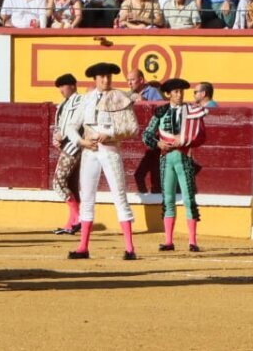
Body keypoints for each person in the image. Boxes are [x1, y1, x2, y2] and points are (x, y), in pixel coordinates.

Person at [64, 62, 139, 260]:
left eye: (109, 77)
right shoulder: (86, 99)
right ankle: (83, 247)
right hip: (90, 152)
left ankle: (130, 248)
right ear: (95, 80)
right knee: (87, 198)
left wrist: (110, 134)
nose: (106, 80)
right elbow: (70, 127)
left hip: (110, 150)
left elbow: (133, 128)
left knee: (119, 196)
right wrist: (82, 142)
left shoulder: (120, 97)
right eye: (102, 77)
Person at [142, 77, 208, 252]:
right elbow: (146, 134)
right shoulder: (161, 112)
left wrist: (186, 140)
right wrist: (158, 144)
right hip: (165, 158)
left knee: (188, 198)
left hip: (184, 157)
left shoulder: (192, 111)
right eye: (176, 92)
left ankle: (192, 241)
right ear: (168, 94)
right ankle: (168, 241)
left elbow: (201, 136)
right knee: (168, 199)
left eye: (181, 91)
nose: (180, 95)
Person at [50, 73, 85, 235]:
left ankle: (78, 218)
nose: (61, 90)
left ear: (72, 85)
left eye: (63, 86)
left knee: (58, 182)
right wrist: (56, 138)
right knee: (70, 184)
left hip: (74, 145)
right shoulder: (63, 104)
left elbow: (75, 124)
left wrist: (62, 135)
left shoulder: (80, 101)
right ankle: (72, 223)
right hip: (66, 145)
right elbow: (60, 125)